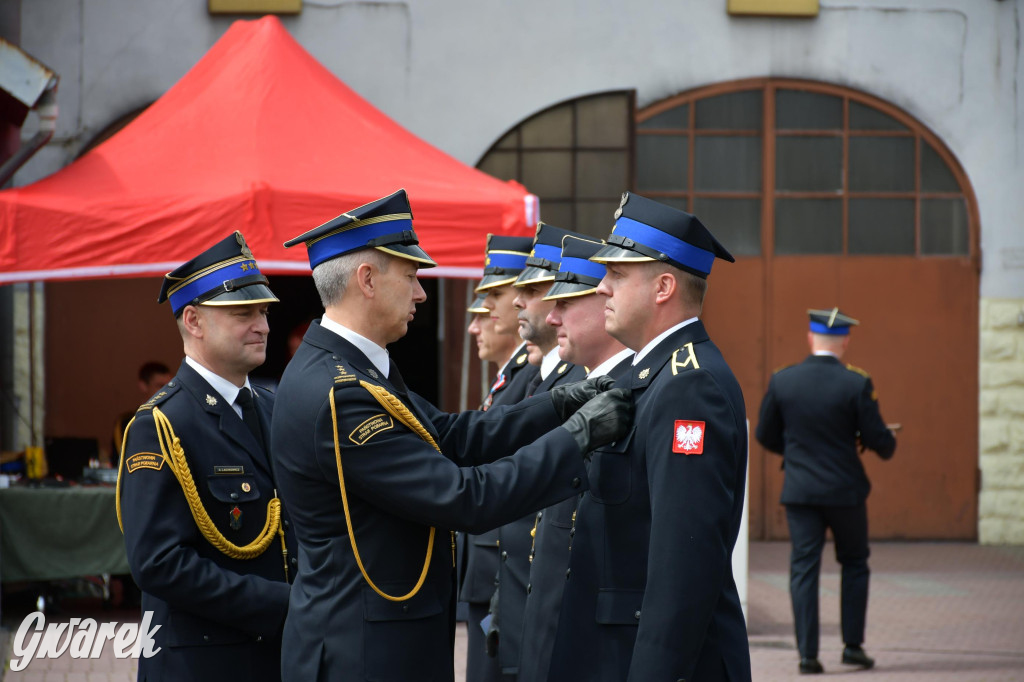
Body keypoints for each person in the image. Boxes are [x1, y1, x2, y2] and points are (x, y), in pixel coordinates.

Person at [271, 189, 632, 682]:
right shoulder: (340, 394)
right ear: (368, 279)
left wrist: (554, 403)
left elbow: (449, 434)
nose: (421, 293)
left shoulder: (354, 370)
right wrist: (576, 437)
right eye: (412, 276)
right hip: (362, 650)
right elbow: (465, 498)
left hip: (376, 636)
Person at [551, 192, 752, 682]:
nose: (602, 290)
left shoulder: (690, 387)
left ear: (663, 287)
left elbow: (682, 563)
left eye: (617, 276)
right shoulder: (656, 375)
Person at [116, 232, 296, 682]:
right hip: (203, 660)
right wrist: (282, 602)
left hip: (279, 654)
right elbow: (157, 562)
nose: (263, 325)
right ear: (193, 321)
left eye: (263, 311)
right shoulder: (160, 424)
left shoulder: (275, 409)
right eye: (243, 313)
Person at [517, 235, 634, 682]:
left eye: (566, 303)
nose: (551, 316)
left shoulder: (631, 396)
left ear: (605, 303)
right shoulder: (583, 392)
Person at [755, 308, 897, 675]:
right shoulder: (856, 383)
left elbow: (765, 434)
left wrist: (798, 453)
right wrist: (882, 440)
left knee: (804, 568)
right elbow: (880, 441)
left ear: (810, 338)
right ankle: (852, 647)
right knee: (853, 563)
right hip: (845, 491)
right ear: (845, 341)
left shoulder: (784, 380)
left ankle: (807, 655)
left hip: (800, 491)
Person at [487, 223, 587, 680]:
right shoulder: (542, 380)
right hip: (514, 594)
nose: (518, 301)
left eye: (534, 289)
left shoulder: (576, 384)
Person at [461, 235, 538, 682]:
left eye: (493, 298)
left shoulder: (531, 374)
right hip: (491, 562)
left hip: (505, 563)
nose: (478, 323)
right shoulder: (515, 375)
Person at [112, 361, 173, 462]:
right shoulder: (126, 423)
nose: (166, 391)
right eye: (160, 386)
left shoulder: (176, 420)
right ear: (143, 386)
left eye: (170, 386)